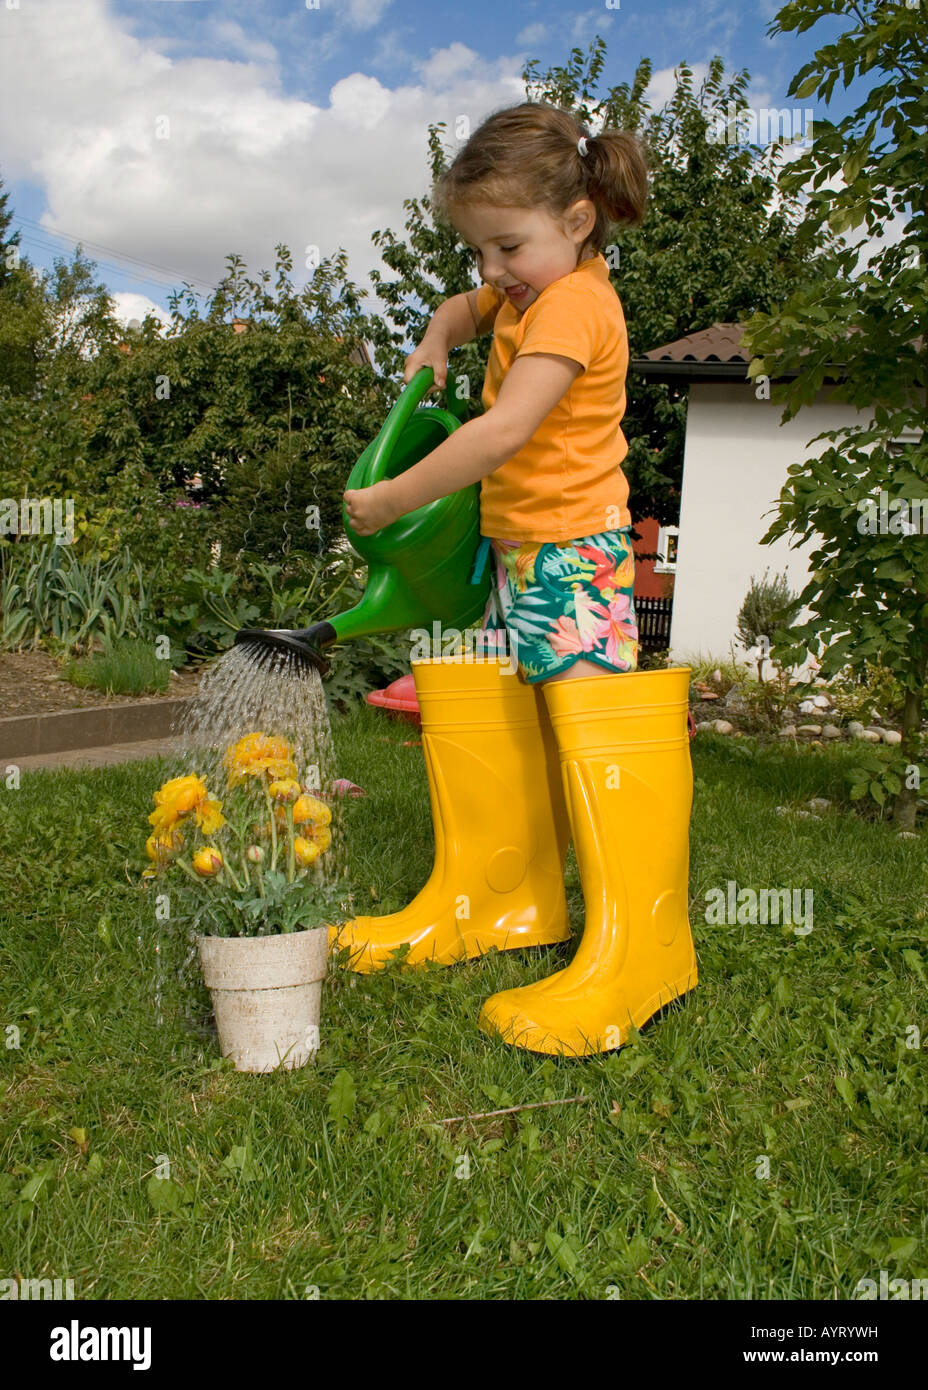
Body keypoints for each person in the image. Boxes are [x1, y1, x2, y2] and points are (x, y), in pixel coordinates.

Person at [334, 102, 697, 1055]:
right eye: (480, 253)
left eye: (506, 248)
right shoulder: (524, 292)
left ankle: (644, 947)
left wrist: (390, 499)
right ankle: (500, 900)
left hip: (576, 555)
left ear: (577, 223)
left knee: (593, 735)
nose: (491, 272)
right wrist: (436, 339)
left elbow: (503, 432)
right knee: (495, 709)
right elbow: (460, 309)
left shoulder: (576, 304)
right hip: (518, 550)